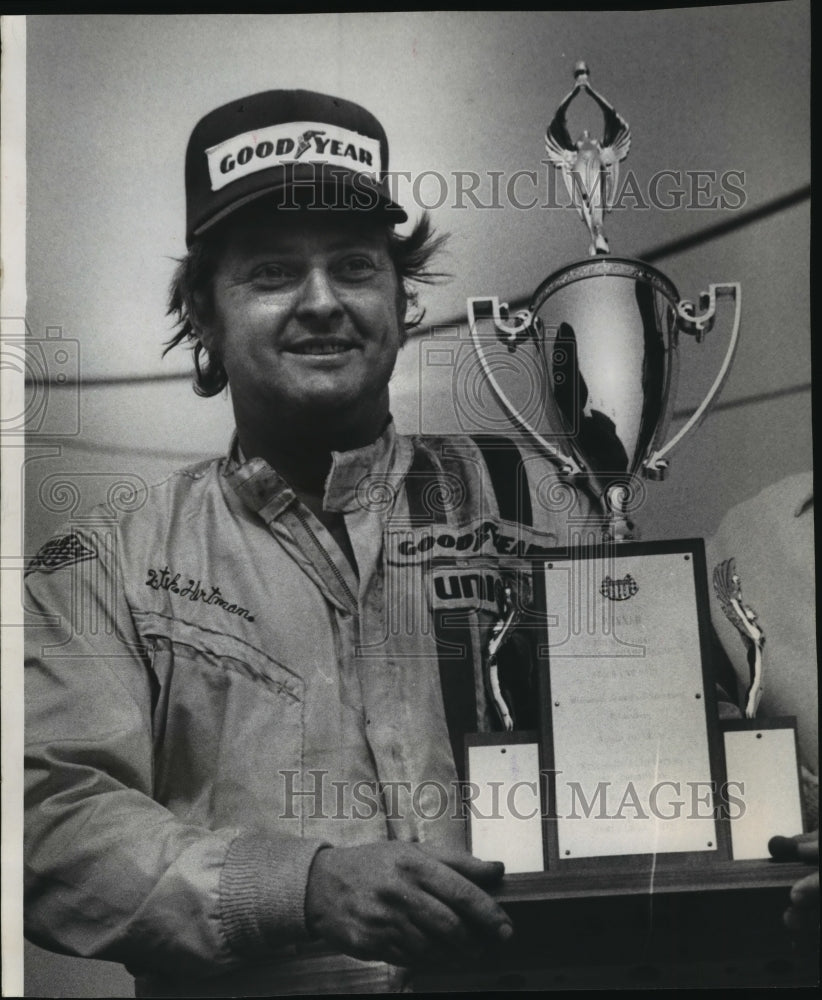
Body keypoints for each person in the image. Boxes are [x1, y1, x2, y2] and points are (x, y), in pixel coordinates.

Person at [24, 89, 599, 996]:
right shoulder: (106, 563)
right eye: (272, 273)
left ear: (403, 299)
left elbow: (672, 738)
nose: (323, 302)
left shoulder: (540, 505)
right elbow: (45, 818)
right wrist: (300, 885)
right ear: (203, 314)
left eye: (355, 266)